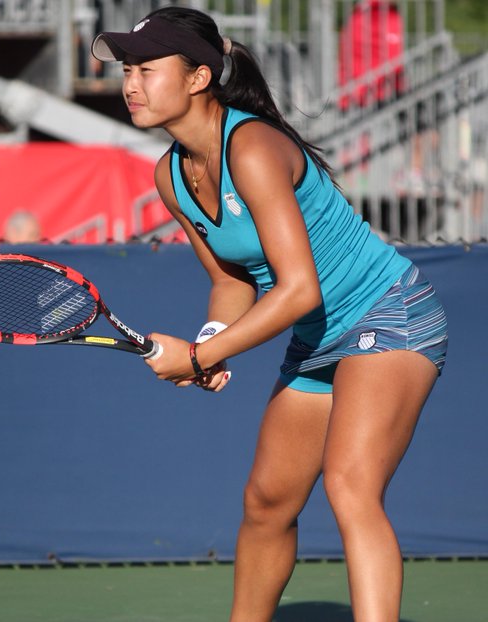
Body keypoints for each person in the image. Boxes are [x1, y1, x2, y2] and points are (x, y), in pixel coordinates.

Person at [92, 7, 448, 622]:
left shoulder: (252, 146)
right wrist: (212, 335)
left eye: (147, 69)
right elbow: (231, 278)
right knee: (266, 502)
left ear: (199, 78)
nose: (130, 84)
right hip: (318, 340)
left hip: (391, 315)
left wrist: (205, 354)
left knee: (350, 486)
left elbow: (299, 289)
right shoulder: (171, 175)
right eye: (127, 69)